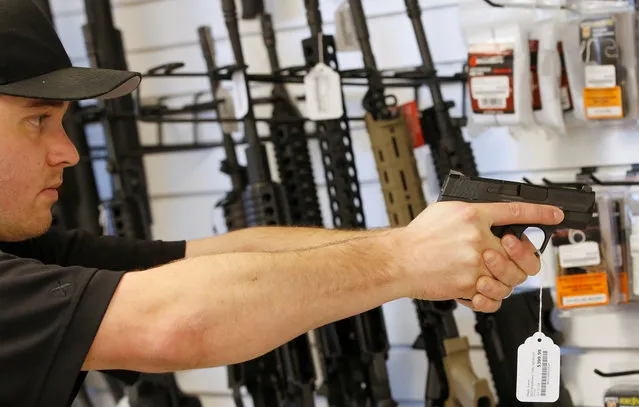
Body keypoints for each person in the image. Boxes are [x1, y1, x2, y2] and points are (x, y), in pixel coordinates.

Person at [0, 1, 565, 406]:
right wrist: (403, 260)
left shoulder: (26, 247)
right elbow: (173, 323)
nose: (68, 152)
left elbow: (207, 258)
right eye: (37, 120)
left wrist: (429, 243)